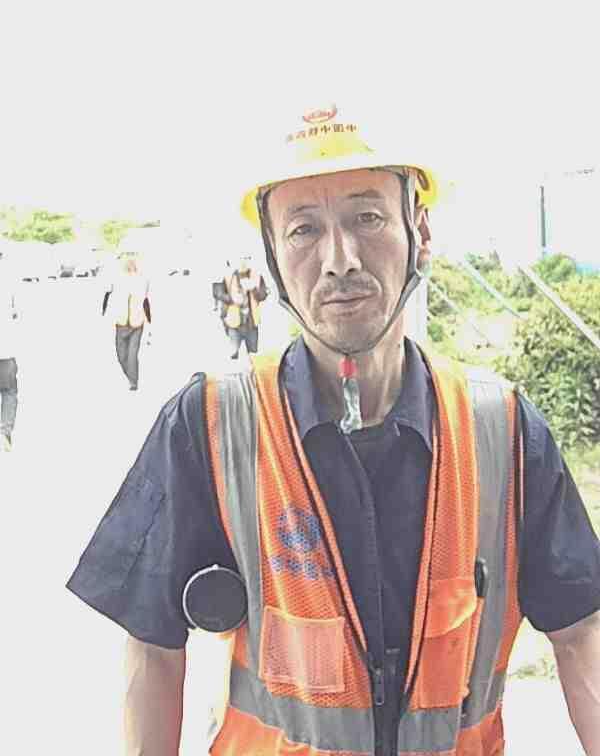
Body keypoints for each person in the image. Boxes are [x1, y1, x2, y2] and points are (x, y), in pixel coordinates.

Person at [67, 104, 600, 756]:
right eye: (303, 230)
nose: (340, 260)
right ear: (271, 255)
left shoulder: (504, 432)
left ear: (419, 231)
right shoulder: (208, 426)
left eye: (367, 218)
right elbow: (152, 651)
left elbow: (581, 632)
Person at [102, 254, 151, 391]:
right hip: (121, 322)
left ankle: (133, 382)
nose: (130, 263)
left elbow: (146, 300)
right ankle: (130, 377)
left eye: (132, 261)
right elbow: (107, 293)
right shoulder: (116, 278)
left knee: (132, 354)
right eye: (128, 261)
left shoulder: (143, 279)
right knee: (121, 355)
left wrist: (149, 320)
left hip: (137, 322)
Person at [219, 256, 268, 359]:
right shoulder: (229, 276)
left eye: (247, 258)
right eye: (241, 258)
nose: (244, 261)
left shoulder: (256, 276)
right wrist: (233, 298)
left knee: (254, 356)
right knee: (233, 354)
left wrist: (253, 289)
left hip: (251, 324)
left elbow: (263, 295)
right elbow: (219, 294)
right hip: (234, 325)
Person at [0, 262, 19, 451]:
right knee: (9, 391)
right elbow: (16, 312)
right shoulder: (9, 274)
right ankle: (5, 432)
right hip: (5, 348)